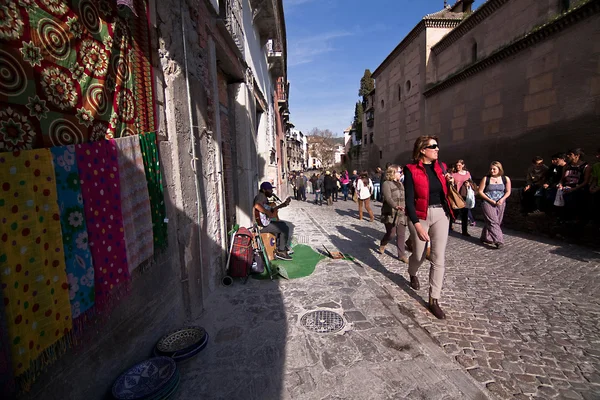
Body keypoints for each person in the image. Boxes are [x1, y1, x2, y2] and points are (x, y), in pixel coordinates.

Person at [403, 135, 453, 319]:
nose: (437, 149)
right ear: (423, 150)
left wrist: (449, 182)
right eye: (434, 146)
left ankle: (434, 299)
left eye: (438, 146)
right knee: (419, 254)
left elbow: (444, 193)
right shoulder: (410, 169)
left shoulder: (442, 167)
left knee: (438, 257)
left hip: (441, 213)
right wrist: (417, 225)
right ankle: (412, 272)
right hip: (419, 216)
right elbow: (408, 200)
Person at [253, 182, 292, 260]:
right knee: (283, 228)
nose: (271, 191)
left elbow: (270, 209)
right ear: (264, 190)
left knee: (283, 224)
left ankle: (280, 246)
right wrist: (267, 212)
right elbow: (257, 206)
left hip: (264, 223)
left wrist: (283, 205)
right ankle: (281, 251)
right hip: (261, 226)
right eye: (270, 189)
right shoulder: (261, 197)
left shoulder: (264, 197)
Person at [478, 161, 511, 249]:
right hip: (488, 202)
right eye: (491, 169)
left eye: (494, 169)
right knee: (493, 221)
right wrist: (490, 200)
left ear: (499, 169)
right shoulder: (486, 178)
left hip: (500, 202)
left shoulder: (505, 179)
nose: (492, 171)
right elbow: (480, 191)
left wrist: (502, 199)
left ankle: (485, 237)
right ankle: (499, 241)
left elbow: (508, 191)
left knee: (497, 221)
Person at [379, 165, 408, 263]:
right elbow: (388, 198)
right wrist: (395, 206)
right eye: (399, 171)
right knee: (391, 233)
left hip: (401, 213)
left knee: (401, 234)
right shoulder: (386, 184)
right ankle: (383, 242)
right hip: (390, 212)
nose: (401, 173)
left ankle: (401, 255)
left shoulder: (401, 184)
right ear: (393, 173)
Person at [559, 148, 591, 223]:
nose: (567, 156)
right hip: (566, 187)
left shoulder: (586, 167)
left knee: (574, 198)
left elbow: (586, 181)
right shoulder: (566, 166)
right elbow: (562, 179)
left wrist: (574, 189)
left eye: (570, 155)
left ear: (577, 156)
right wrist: (560, 184)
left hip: (578, 188)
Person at [450, 159, 473, 237]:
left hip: (464, 195)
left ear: (463, 165)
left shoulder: (467, 174)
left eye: (459, 165)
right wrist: (451, 181)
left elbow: (471, 182)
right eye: (457, 165)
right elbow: (451, 183)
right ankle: (450, 225)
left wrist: (469, 184)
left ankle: (464, 231)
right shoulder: (454, 174)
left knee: (465, 214)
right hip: (456, 195)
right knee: (454, 212)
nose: (458, 167)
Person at [590, 148, 600, 228]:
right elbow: (595, 179)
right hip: (597, 189)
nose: (597, 156)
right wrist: (592, 187)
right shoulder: (596, 166)